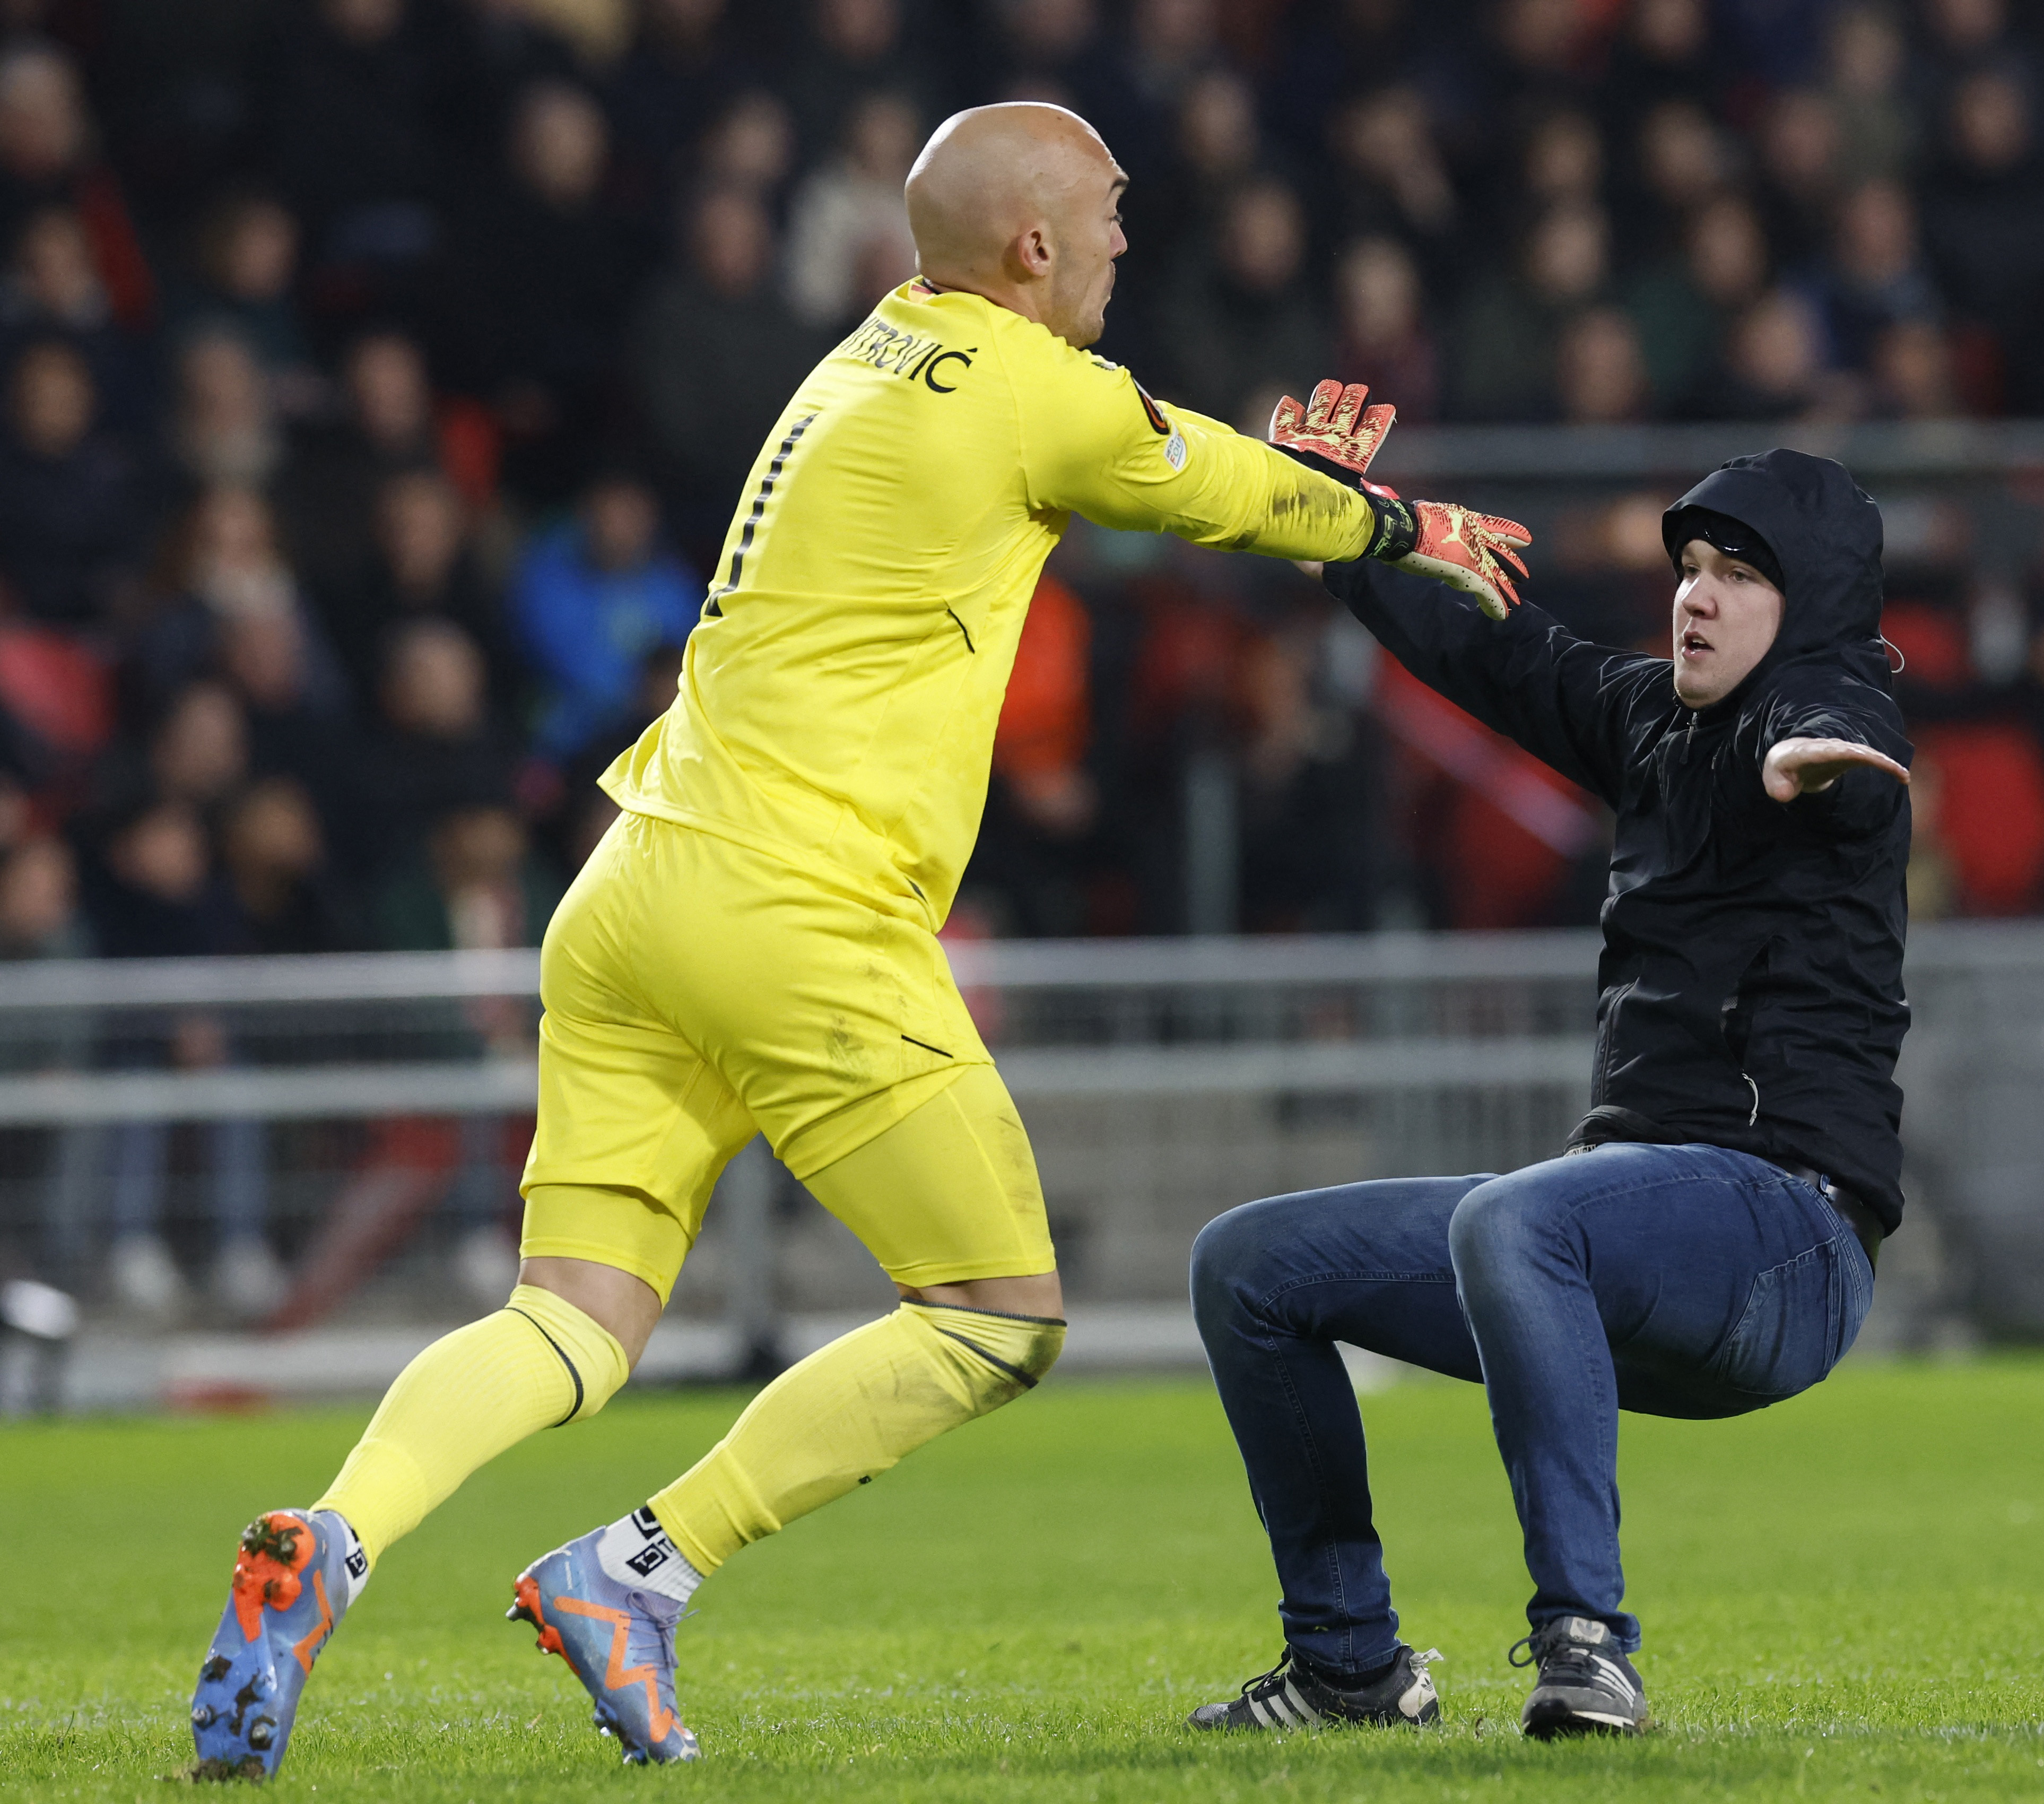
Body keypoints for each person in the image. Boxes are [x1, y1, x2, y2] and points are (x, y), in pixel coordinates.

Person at [186, 101, 1525, 1779]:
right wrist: (1399, 521)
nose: (1127, 240)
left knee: (571, 1323)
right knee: (995, 1316)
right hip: (795, 907)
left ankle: (332, 1544)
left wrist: (1290, 475)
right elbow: (1207, 489)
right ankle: (635, 1574)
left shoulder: (866, 356)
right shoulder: (1032, 387)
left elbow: (1184, 452)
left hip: (631, 888)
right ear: (1032, 244)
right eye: (1110, 215)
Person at [1187, 430, 1910, 1738]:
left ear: (1810, 605)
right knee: (1247, 1264)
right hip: (1614, 1237)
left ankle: (1586, 1645)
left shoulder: (1835, 712)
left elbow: (1838, 742)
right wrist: (1339, 522)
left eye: (1739, 574)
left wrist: (1819, 759)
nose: (1695, 592)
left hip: (1787, 1242)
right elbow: (1489, 648)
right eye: (1689, 565)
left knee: (1520, 1212)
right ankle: (1347, 1661)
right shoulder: (1648, 719)